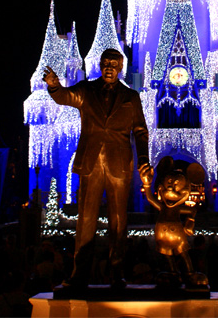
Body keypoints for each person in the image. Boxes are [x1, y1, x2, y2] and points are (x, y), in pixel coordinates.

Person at [43, 48, 150, 291]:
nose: (109, 67)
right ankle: (79, 274)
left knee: (119, 221)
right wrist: (54, 85)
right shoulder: (86, 90)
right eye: (106, 63)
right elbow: (64, 97)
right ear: (100, 65)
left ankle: (117, 273)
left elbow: (140, 131)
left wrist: (143, 159)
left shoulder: (131, 97)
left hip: (119, 163)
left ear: (121, 67)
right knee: (86, 219)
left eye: (114, 63)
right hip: (91, 162)